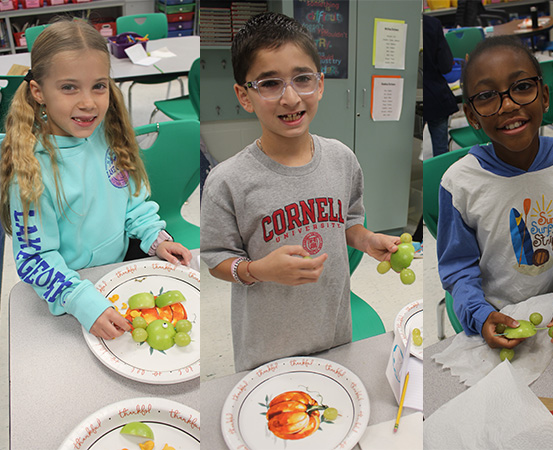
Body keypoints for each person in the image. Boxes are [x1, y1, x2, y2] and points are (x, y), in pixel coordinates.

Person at [200, 13, 399, 372]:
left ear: (320, 84)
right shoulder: (227, 181)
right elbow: (216, 261)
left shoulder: (342, 159)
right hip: (266, 347)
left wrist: (367, 240)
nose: (291, 98)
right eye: (270, 84)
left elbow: (348, 223)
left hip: (334, 333)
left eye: (302, 79)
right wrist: (258, 270)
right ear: (244, 96)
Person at [0, 20, 191, 340]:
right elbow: (35, 259)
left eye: (98, 86)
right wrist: (82, 301)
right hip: (70, 291)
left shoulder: (107, 134)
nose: (88, 102)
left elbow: (131, 200)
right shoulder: (30, 169)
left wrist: (156, 238)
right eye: (69, 87)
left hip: (118, 272)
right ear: (38, 91)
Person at [437, 36, 553, 349]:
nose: (508, 105)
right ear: (472, 115)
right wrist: (479, 313)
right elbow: (458, 269)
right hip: (501, 318)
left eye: (521, 87)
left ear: (544, 96)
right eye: (487, 96)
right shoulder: (459, 184)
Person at [423, 14, 458, 158]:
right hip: (434, 96)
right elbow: (446, 66)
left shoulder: (392, 20)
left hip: (400, 98)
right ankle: (440, 178)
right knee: (441, 152)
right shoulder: (431, 24)